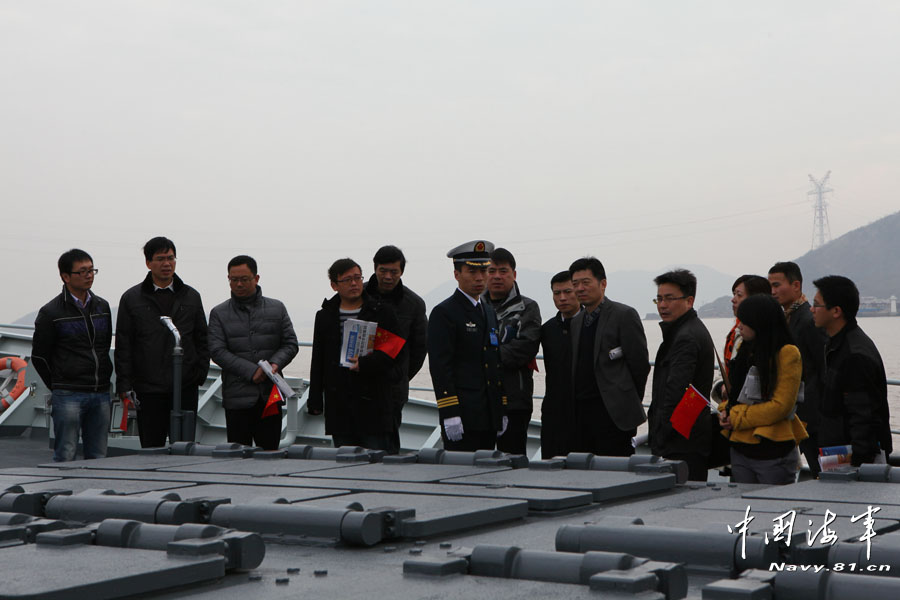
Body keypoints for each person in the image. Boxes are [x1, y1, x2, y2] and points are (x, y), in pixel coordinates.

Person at [115, 237, 210, 448]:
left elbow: (202, 339)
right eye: (160, 259)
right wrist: (125, 385)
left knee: (185, 448)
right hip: (149, 388)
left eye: (171, 258)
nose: (167, 264)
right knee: (151, 446)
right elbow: (124, 345)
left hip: (185, 386)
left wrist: (199, 374)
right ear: (148, 263)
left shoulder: (191, 296)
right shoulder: (132, 298)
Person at [308, 258, 405, 452]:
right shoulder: (325, 315)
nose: (354, 283)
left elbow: (394, 352)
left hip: (374, 401)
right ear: (334, 285)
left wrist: (366, 364)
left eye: (357, 278)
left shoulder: (381, 311)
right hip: (340, 404)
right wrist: (315, 399)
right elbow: (318, 359)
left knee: (377, 462)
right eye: (347, 280)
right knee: (344, 459)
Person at [208, 255, 299, 450]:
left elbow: (290, 343)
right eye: (234, 280)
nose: (239, 284)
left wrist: (274, 364)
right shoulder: (219, 313)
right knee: (237, 455)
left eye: (244, 279)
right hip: (236, 397)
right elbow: (217, 351)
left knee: (269, 453)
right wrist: (251, 371)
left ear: (256, 278)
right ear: (228, 279)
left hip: (270, 395)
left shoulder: (277, 308)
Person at [32, 249, 113, 462]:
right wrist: (59, 384)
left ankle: (94, 494)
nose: (89, 275)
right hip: (68, 394)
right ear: (65, 277)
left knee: (99, 456)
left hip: (100, 392)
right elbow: (40, 357)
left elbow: (104, 347)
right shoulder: (51, 312)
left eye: (92, 270)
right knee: (66, 454)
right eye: (82, 271)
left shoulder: (102, 307)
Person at [718, 295, 809, 484]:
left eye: (745, 321)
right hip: (739, 446)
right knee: (744, 507)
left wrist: (735, 416)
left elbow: (781, 405)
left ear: (760, 322)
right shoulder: (744, 348)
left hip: (772, 448)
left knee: (773, 508)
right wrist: (724, 411)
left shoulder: (787, 353)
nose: (739, 326)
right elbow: (736, 395)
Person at [428, 240, 506, 451]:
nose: (480, 278)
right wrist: (450, 413)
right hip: (462, 414)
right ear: (457, 274)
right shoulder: (444, 313)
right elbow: (440, 367)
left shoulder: (488, 311)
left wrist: (500, 408)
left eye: (484, 271)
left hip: (488, 414)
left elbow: (494, 362)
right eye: (471, 271)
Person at [568, 257, 650, 457]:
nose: (580, 288)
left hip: (614, 415)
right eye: (575, 283)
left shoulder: (624, 315)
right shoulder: (577, 321)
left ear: (602, 284)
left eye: (586, 282)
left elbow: (639, 365)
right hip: (582, 413)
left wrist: (626, 399)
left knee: (616, 471)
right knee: (585, 470)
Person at [811, 275, 892, 466]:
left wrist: (859, 463)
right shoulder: (836, 344)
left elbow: (863, 415)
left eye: (817, 304)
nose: (811, 310)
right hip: (837, 451)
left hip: (854, 458)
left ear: (836, 311)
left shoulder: (854, 355)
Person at [649, 269, 715, 481]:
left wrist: (662, 435)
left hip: (681, 441)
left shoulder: (686, 337)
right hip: (687, 436)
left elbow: (675, 391)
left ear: (689, 300)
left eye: (669, 298)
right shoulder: (683, 330)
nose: (662, 305)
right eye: (659, 299)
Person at [363, 245, 428, 454]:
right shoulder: (356, 295)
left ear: (401, 272)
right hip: (356, 385)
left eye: (394, 272)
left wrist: (399, 376)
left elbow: (419, 349)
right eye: (383, 271)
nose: (388, 277)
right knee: (353, 446)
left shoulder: (414, 304)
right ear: (375, 269)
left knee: (387, 447)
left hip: (392, 391)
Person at [768, 261, 827, 476]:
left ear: (796, 285)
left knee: (820, 471)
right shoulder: (788, 317)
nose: (773, 292)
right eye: (770, 287)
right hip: (799, 413)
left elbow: (822, 368)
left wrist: (813, 414)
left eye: (777, 285)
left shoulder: (807, 319)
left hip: (812, 416)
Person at [485, 248, 541, 455]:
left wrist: (485, 356)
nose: (497, 276)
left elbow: (525, 348)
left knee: (513, 459)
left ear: (514, 274)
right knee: (479, 458)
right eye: (491, 271)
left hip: (515, 400)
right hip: (481, 399)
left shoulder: (527, 308)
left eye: (503, 271)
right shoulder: (475, 306)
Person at [539, 271, 581, 459]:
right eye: (557, 293)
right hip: (554, 411)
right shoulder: (547, 329)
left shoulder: (592, 325)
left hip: (584, 411)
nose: (562, 298)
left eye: (567, 291)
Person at [713, 275, 772, 402]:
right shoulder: (735, 332)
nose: (733, 300)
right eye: (734, 294)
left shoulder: (768, 339)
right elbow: (725, 369)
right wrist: (721, 386)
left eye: (739, 295)